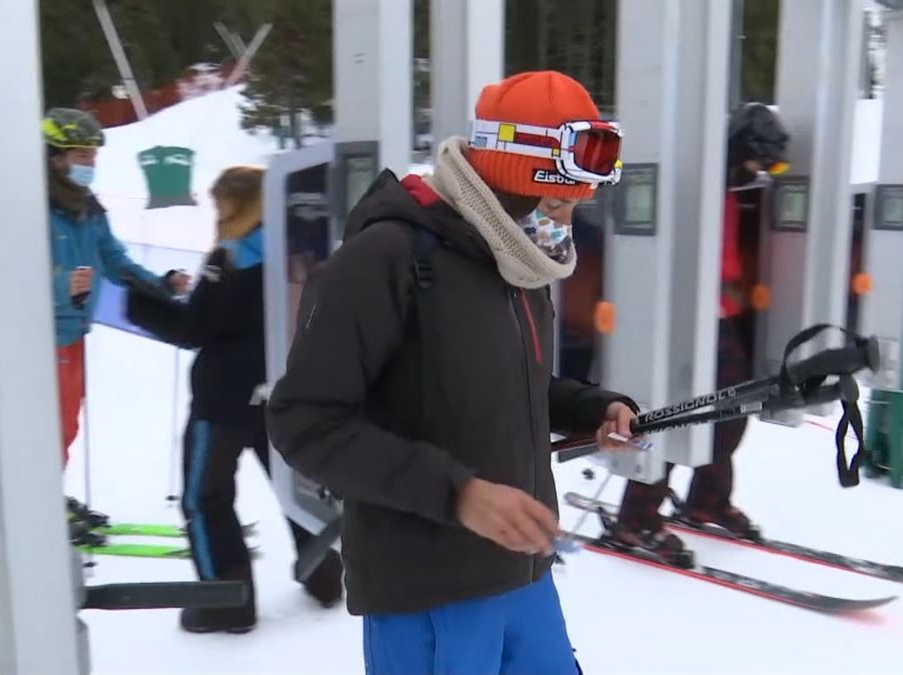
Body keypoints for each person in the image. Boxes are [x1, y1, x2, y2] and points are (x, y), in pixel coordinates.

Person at [266, 71, 639, 674]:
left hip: (523, 578)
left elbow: (505, 386)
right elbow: (304, 421)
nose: (564, 224)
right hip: (428, 594)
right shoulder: (386, 258)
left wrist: (591, 408)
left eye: (575, 206)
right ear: (511, 182)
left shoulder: (519, 261)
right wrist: (459, 493)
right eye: (555, 203)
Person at [125, 167, 343, 634]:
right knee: (296, 490)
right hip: (280, 392)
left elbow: (193, 329)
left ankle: (227, 602)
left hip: (221, 401)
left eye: (219, 202)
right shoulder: (295, 249)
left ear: (237, 204)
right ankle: (326, 577)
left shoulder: (228, 259)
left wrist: (139, 304)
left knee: (205, 498)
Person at [613, 102, 789, 561]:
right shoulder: (695, 183)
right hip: (684, 319)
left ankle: (707, 501)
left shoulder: (730, 185)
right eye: (757, 160)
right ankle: (637, 517)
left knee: (731, 412)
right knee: (679, 413)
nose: (759, 172)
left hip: (722, 314)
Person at [43, 107, 190, 528]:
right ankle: (32, 499)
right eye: (82, 156)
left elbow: (114, 260)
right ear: (56, 158)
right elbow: (10, 274)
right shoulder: (32, 208)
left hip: (73, 333)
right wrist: (61, 286)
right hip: (38, 337)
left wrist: (161, 284)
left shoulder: (88, 208)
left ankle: (46, 493)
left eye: (93, 157)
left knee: (67, 424)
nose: (91, 165)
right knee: (47, 426)